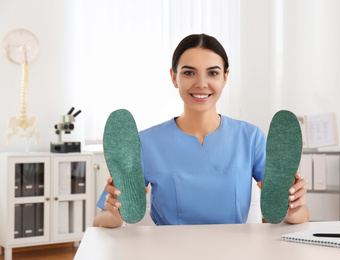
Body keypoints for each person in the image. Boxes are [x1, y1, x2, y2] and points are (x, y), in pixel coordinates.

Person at [93, 33, 309, 227]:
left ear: (225, 77)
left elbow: (299, 216)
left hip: (234, 252)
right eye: (189, 73)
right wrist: (115, 214)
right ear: (173, 77)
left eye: (213, 73)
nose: (201, 83)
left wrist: (293, 209)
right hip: (170, 253)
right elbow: (100, 220)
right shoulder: (146, 143)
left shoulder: (250, 138)